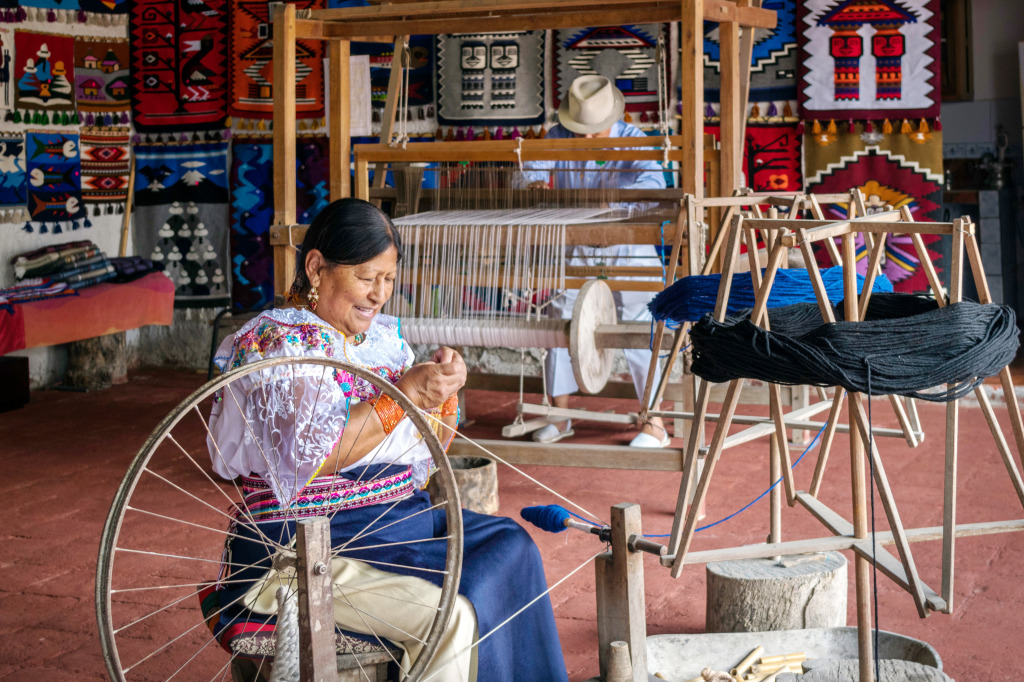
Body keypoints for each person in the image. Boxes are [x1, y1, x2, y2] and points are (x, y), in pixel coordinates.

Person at [206, 198, 568, 682]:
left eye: (389, 280)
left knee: (512, 547)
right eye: (366, 276)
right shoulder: (278, 342)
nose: (379, 295)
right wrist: (405, 393)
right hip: (306, 543)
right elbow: (317, 455)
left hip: (393, 523)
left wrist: (441, 393)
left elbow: (431, 447)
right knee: (451, 616)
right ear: (316, 267)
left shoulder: (380, 341)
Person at [520, 75, 670, 448]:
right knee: (560, 324)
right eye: (580, 130)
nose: (586, 139)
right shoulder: (557, 137)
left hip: (629, 245)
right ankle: (560, 415)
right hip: (577, 245)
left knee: (641, 328)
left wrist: (614, 204)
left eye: (594, 131)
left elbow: (653, 189)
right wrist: (534, 185)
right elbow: (530, 169)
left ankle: (653, 421)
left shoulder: (634, 141)